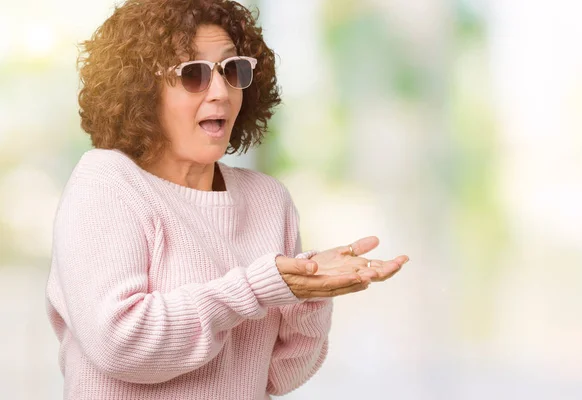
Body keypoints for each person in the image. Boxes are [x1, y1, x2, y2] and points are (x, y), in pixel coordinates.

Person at [45, 0, 409, 399]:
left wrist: (310, 294)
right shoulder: (107, 184)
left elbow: (278, 377)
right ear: (141, 90)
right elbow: (122, 344)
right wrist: (257, 288)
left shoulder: (269, 200)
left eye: (232, 69)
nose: (221, 91)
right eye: (193, 74)